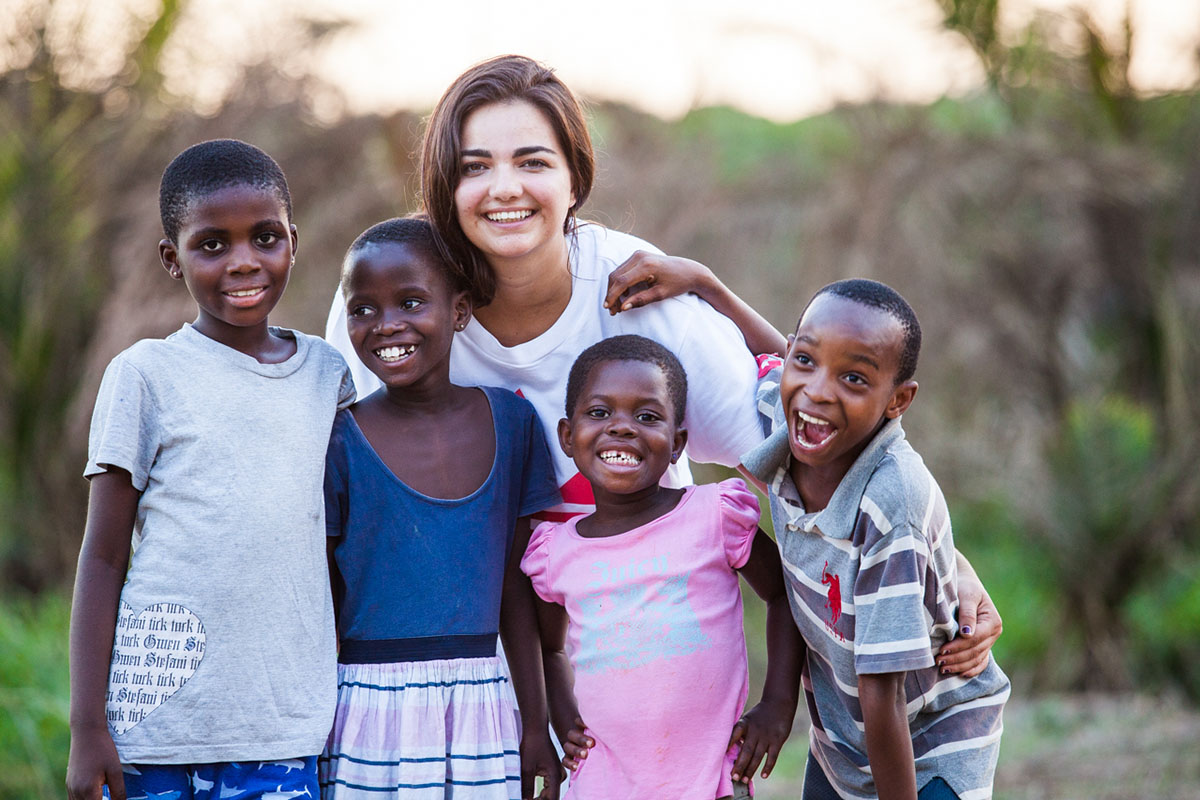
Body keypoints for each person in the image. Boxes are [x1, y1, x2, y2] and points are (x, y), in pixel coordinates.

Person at [325, 56, 998, 670]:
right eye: (475, 167)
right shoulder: (391, 303)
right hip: (467, 670)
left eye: (532, 162)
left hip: (653, 658)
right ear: (444, 183)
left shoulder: (640, 290)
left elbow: (789, 449)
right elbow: (337, 492)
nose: (504, 188)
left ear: (573, 178)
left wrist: (945, 563)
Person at [66, 139, 354, 800]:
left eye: (264, 237)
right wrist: (88, 728)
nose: (244, 261)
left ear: (293, 242)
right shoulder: (146, 375)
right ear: (173, 259)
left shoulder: (326, 377)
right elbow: (104, 558)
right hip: (155, 729)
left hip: (278, 730)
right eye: (212, 245)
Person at [318, 217, 564, 800]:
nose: (387, 326)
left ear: (458, 311)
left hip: (484, 705)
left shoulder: (513, 423)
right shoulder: (337, 439)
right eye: (363, 309)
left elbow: (515, 588)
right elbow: (319, 598)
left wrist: (536, 726)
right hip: (364, 717)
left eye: (410, 302)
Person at [740, 279, 1010, 800]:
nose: (818, 389)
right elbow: (762, 350)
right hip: (842, 741)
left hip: (931, 743)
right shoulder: (786, 415)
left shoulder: (892, 501)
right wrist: (704, 282)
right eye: (805, 361)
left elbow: (881, 693)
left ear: (898, 400)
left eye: (855, 378)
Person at [520, 335, 804, 799]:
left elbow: (783, 595)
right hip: (604, 782)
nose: (622, 428)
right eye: (599, 413)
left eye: (646, 416)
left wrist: (777, 703)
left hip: (712, 777)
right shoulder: (555, 553)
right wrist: (561, 712)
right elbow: (549, 649)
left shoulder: (714, 515)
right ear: (568, 437)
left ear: (677, 444)